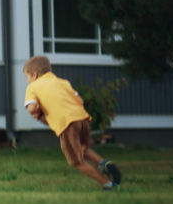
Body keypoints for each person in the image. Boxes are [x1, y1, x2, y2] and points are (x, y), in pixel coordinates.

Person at [23, 55, 122, 191]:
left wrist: (38, 111)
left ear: (34, 74)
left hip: (67, 124)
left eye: (27, 77)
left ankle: (108, 184)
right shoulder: (63, 82)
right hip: (83, 120)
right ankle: (103, 163)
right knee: (82, 148)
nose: (27, 81)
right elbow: (80, 101)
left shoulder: (33, 86)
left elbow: (32, 108)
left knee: (76, 161)